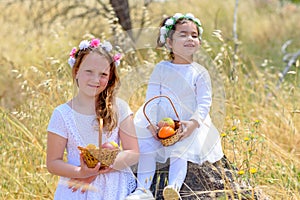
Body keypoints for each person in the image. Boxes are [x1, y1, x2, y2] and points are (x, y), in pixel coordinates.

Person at [125, 13, 224, 200]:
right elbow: (152, 98)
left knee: (181, 151)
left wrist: (194, 123)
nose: (190, 39)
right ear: (169, 42)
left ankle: (173, 188)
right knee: (147, 147)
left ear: (199, 42)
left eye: (194, 35)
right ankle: (143, 190)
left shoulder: (200, 72)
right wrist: (151, 123)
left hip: (187, 122)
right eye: (183, 34)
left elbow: (204, 102)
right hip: (161, 121)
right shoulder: (161, 68)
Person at [47, 38, 139, 200]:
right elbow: (53, 162)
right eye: (89, 71)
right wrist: (81, 173)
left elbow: (133, 152)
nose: (96, 80)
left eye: (103, 74)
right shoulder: (62, 114)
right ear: (76, 71)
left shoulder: (120, 109)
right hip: (77, 190)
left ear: (110, 78)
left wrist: (104, 166)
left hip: (114, 187)